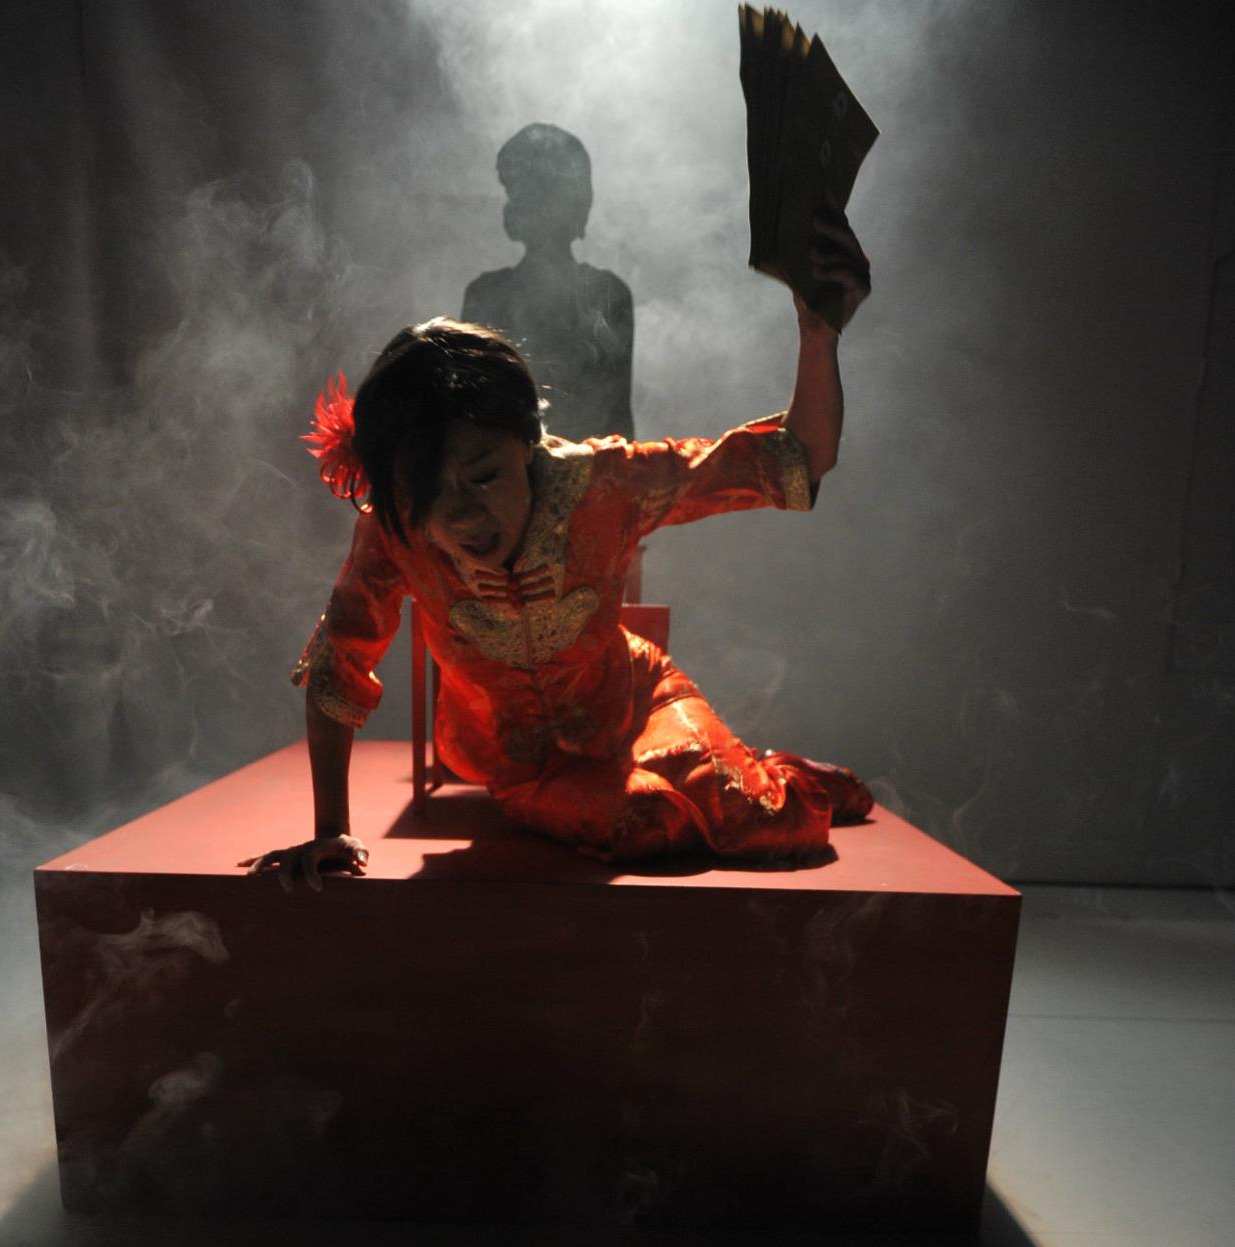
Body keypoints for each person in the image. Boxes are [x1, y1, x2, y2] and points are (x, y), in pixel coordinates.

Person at [245, 198, 873, 887]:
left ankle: (778, 778)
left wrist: (819, 335)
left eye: (483, 475)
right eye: (429, 492)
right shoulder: (394, 527)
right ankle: (728, 776)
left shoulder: (605, 483)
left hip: (641, 701)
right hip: (523, 765)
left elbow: (798, 458)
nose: (461, 514)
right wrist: (331, 830)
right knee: (646, 822)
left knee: (768, 822)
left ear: (525, 443)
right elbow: (337, 667)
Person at [461, 122, 635, 443]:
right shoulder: (485, 295)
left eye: (525, 191)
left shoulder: (607, 294)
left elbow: (616, 421)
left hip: (578, 469)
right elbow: (471, 414)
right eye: (514, 191)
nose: (515, 204)